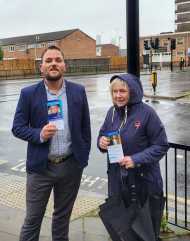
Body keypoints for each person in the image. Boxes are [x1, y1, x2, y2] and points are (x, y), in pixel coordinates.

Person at [12, 45, 91, 241]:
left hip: (71, 166)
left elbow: (85, 128)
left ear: (64, 66)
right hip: (41, 168)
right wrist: (39, 133)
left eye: (57, 60)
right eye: (48, 61)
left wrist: (83, 155)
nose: (53, 64)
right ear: (41, 67)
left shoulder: (78, 91)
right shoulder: (28, 93)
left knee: (62, 219)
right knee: (33, 220)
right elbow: (17, 127)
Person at [97, 73, 169, 198]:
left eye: (123, 91)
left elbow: (161, 145)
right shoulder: (112, 112)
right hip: (118, 183)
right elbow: (102, 135)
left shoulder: (147, 113)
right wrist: (101, 143)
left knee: (144, 217)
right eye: (115, 91)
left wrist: (136, 159)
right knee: (120, 217)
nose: (118, 95)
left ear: (132, 92)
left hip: (143, 182)